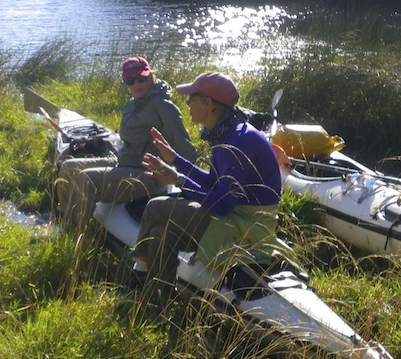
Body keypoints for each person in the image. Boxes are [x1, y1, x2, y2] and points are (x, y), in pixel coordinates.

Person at [134, 71, 283, 288]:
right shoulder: (226, 133)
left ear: (208, 103)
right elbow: (214, 183)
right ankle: (158, 296)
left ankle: (137, 275)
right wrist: (175, 159)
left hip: (247, 226)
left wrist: (178, 179)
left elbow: (222, 205)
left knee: (156, 207)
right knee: (159, 233)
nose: (187, 103)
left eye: (192, 98)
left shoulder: (237, 142)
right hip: (236, 216)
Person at [56, 56, 196, 231]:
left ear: (150, 76)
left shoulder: (163, 106)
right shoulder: (133, 103)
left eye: (141, 78)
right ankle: (64, 218)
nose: (136, 84)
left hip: (148, 175)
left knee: (86, 179)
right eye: (130, 80)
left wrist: (190, 185)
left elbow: (186, 149)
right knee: (69, 167)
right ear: (125, 82)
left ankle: (71, 236)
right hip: (125, 162)